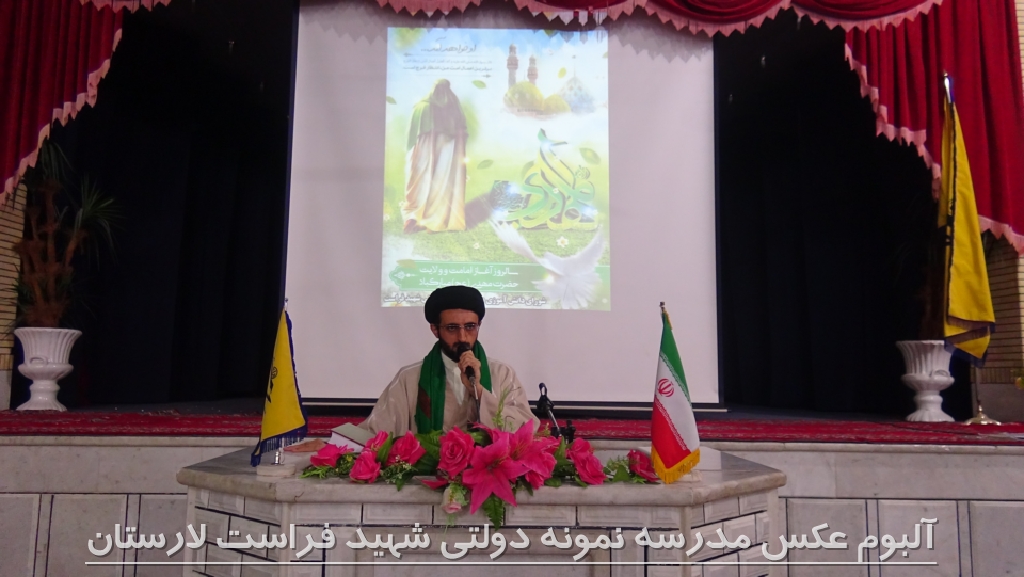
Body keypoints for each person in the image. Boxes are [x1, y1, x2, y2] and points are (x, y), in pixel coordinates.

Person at [359, 285, 538, 435]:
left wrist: (477, 390)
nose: (462, 337)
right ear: (435, 330)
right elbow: (374, 433)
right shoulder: (409, 378)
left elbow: (526, 429)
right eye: (452, 328)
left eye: (470, 327)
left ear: (479, 325)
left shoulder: (502, 374)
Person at [402, 79, 468, 233]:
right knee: (442, 180)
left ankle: (415, 216)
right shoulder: (453, 107)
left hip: (426, 147)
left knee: (420, 180)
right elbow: (462, 131)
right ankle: (435, 218)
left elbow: (411, 136)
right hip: (447, 147)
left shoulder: (422, 106)